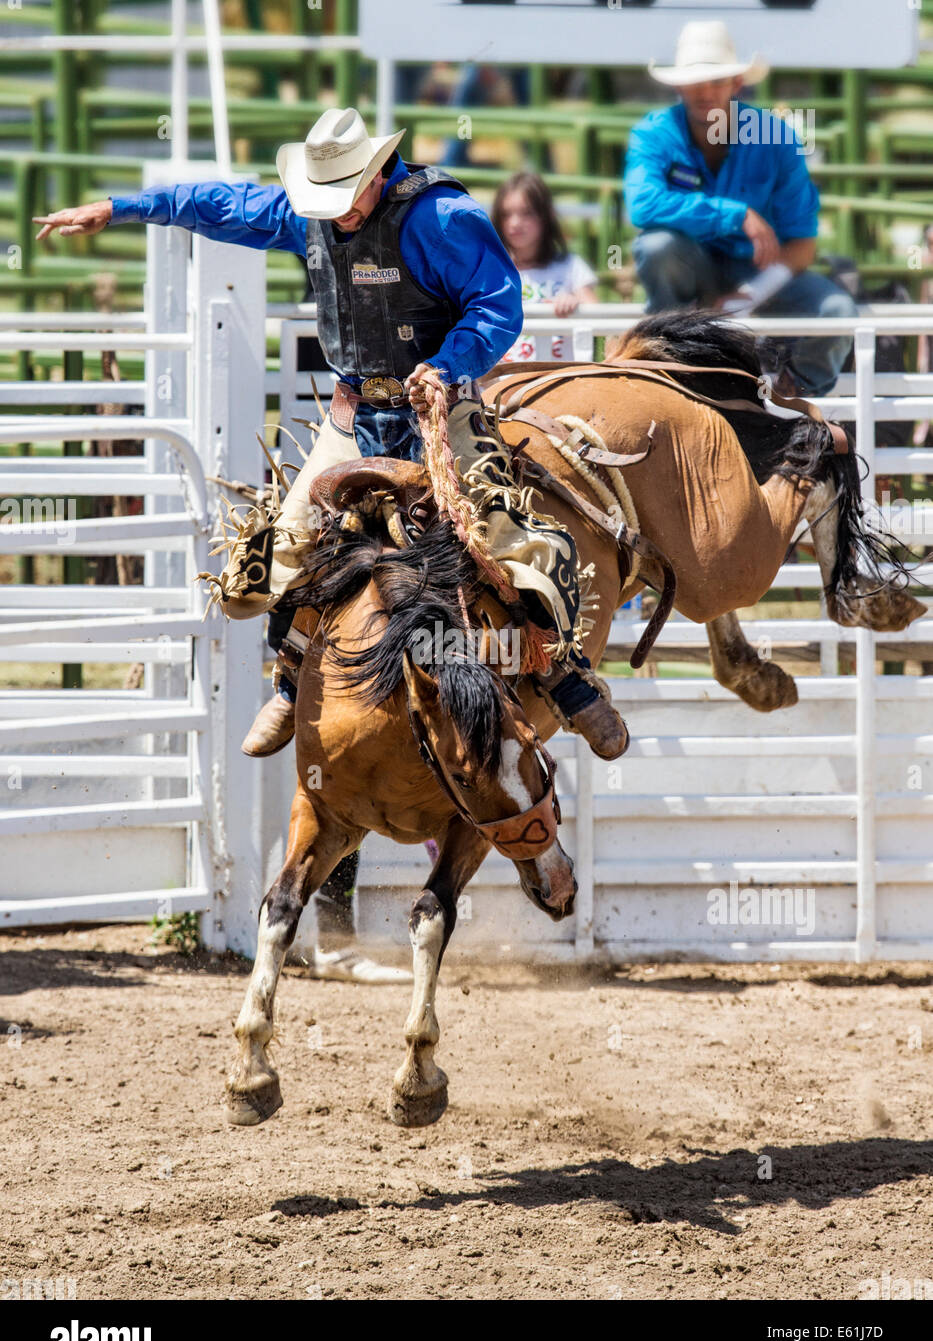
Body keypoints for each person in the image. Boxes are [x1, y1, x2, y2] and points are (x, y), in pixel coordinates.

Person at [34, 107, 628, 969]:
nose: (336, 211)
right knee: (282, 548)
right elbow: (219, 204)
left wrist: (450, 364)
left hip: (440, 408)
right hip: (360, 413)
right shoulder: (307, 214)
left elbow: (498, 304)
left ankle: (565, 676)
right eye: (325, 197)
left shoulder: (442, 218)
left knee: (514, 539)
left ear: (376, 176)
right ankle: (290, 674)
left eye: (345, 194)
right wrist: (120, 211)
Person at [623, 20, 857, 397]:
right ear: (679, 86)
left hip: (761, 274)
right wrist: (735, 214)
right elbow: (642, 205)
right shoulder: (654, 133)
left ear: (736, 83)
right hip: (692, 273)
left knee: (838, 312)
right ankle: (671, 368)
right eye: (696, 81)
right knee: (656, 246)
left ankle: (791, 400)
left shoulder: (776, 139)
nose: (705, 92)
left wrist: (749, 295)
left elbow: (803, 244)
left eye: (716, 80)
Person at [492, 172, 599, 364]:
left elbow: (597, 315)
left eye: (527, 213)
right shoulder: (491, 271)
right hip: (502, 382)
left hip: (557, 380)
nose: (515, 223)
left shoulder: (570, 266)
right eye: (506, 214)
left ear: (546, 216)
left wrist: (574, 304)